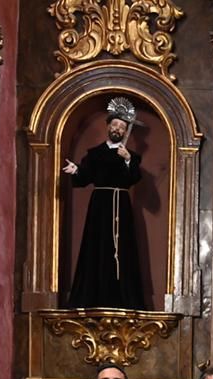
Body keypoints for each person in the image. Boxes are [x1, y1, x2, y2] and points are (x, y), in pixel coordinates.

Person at [63, 96, 147, 310]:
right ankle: (93, 299)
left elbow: (134, 178)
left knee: (122, 251)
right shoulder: (94, 154)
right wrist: (77, 171)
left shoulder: (131, 156)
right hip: (100, 207)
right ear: (108, 126)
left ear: (125, 131)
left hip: (121, 206)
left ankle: (124, 300)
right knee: (97, 248)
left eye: (122, 127)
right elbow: (85, 177)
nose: (118, 129)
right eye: (115, 125)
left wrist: (128, 159)